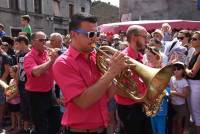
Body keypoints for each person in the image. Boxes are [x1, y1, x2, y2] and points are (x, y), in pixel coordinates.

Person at [53, 14, 127, 134]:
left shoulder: (97, 58)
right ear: (73, 34)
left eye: (97, 34)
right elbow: (83, 101)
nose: (95, 38)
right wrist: (111, 73)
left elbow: (107, 95)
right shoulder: (63, 63)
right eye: (90, 34)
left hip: (102, 129)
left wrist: (119, 75)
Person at [115, 25, 153, 134]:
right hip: (128, 108)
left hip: (141, 105)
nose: (147, 40)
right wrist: (140, 98)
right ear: (134, 38)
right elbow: (116, 88)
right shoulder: (122, 58)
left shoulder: (141, 56)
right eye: (145, 37)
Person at [23, 31, 60, 134]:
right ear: (33, 42)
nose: (44, 42)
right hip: (36, 95)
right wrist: (52, 60)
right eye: (41, 40)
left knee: (56, 121)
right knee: (41, 125)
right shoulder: (28, 57)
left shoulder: (47, 54)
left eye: (45, 39)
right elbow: (36, 72)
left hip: (49, 92)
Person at [14, 35, 31, 133]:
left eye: (17, 43)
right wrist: (16, 85)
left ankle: (30, 127)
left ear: (23, 43)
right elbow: (18, 70)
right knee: (23, 106)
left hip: (29, 84)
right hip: (21, 83)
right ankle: (24, 128)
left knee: (30, 106)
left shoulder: (31, 53)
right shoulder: (19, 54)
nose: (16, 46)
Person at [186, 31, 200, 134]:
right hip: (190, 84)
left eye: (195, 39)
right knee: (192, 111)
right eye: (192, 38)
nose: (192, 40)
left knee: (196, 112)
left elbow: (192, 73)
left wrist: (183, 68)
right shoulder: (193, 52)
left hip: (196, 85)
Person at [170, 63, 190, 134]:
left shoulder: (184, 82)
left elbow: (185, 95)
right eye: (174, 69)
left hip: (181, 105)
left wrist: (175, 93)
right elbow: (170, 89)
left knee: (179, 122)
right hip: (173, 104)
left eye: (178, 69)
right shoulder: (172, 78)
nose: (176, 71)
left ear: (183, 70)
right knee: (173, 121)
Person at [6, 65, 21, 133]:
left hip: (16, 102)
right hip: (11, 101)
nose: (10, 74)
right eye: (10, 72)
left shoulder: (17, 82)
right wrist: (7, 96)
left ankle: (19, 127)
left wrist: (9, 98)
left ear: (16, 73)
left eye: (11, 72)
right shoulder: (11, 80)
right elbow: (9, 90)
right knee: (12, 114)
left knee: (17, 114)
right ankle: (13, 126)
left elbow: (17, 93)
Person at [0, 47, 10, 133]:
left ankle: (1, 121)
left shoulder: (4, 56)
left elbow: (7, 71)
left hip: (3, 83)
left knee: (2, 102)